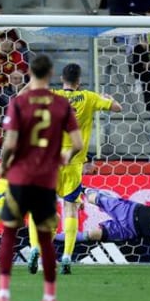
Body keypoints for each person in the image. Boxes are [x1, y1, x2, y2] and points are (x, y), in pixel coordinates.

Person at [0, 54, 82, 301]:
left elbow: (9, 143)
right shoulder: (61, 105)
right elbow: (78, 144)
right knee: (45, 238)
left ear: (30, 73)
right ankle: (49, 299)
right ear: (51, 74)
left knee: (9, 233)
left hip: (19, 177)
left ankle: (4, 295)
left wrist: (3, 167)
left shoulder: (19, 102)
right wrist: (63, 158)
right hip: (45, 180)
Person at [25, 63, 121, 275]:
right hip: (74, 164)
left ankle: (34, 248)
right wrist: (109, 98)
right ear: (79, 81)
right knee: (70, 209)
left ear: (62, 78)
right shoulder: (88, 97)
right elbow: (117, 108)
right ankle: (67, 256)